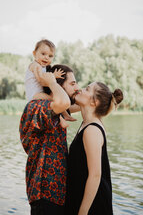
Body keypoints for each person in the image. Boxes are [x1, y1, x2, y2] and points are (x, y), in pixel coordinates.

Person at [19, 64, 79, 215]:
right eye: (72, 84)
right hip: (44, 195)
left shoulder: (56, 110)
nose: (77, 88)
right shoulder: (37, 106)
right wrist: (51, 82)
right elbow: (64, 103)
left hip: (57, 195)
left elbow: (74, 105)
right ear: (58, 86)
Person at [65, 82, 123, 215]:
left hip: (93, 206)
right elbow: (63, 105)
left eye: (87, 89)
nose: (80, 89)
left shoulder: (92, 130)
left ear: (94, 102)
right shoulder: (87, 123)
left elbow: (95, 175)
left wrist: (83, 212)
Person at [25, 39, 74, 128]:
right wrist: (53, 76)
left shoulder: (43, 67)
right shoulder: (36, 66)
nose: (46, 57)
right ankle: (63, 118)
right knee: (54, 99)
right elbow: (41, 80)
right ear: (34, 53)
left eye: (50, 56)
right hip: (35, 94)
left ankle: (65, 116)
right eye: (43, 54)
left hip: (38, 93)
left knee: (54, 100)